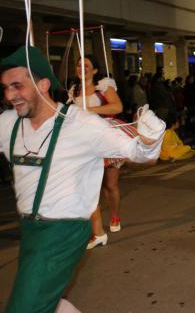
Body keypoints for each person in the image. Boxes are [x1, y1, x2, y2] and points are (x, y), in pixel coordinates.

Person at [0, 46, 164, 313]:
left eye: (17, 86)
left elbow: (141, 153)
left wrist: (150, 137)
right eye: (6, 88)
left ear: (43, 84)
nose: (10, 95)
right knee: (48, 302)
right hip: (30, 229)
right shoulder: (7, 124)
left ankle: (110, 220)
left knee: (25, 307)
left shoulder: (82, 124)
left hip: (63, 230)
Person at [67, 55, 135, 249]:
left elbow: (117, 106)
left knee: (110, 184)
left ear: (95, 70)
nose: (82, 68)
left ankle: (114, 215)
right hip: (84, 140)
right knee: (88, 186)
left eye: (86, 65)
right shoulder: (75, 89)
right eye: (79, 65)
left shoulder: (104, 85)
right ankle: (97, 231)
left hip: (105, 135)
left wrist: (91, 110)